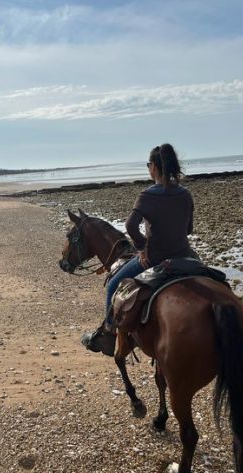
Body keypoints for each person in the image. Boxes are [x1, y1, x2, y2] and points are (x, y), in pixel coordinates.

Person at [81, 143, 195, 356]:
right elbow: (189, 229)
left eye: (148, 165)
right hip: (185, 256)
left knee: (113, 285)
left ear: (154, 167)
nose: (148, 169)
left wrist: (143, 247)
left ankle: (108, 335)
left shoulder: (147, 195)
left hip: (155, 259)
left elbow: (131, 226)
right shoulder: (185, 194)